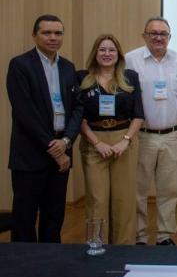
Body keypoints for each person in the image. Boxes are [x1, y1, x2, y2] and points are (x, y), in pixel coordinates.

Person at [6, 14, 83, 242]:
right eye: (46, 33)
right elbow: (24, 112)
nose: (53, 38)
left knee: (54, 216)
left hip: (62, 146)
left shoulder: (68, 67)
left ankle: (51, 266)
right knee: (24, 218)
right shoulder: (20, 65)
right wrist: (55, 148)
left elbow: (77, 108)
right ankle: (24, 270)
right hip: (31, 153)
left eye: (58, 33)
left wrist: (66, 141)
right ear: (34, 35)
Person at [125, 16, 177, 245]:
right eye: (153, 33)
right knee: (138, 190)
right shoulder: (130, 60)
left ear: (169, 37)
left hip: (172, 134)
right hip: (142, 136)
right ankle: (139, 236)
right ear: (144, 35)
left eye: (163, 34)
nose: (158, 37)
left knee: (169, 190)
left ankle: (165, 236)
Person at [78, 34, 144, 244]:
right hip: (93, 141)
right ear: (95, 54)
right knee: (97, 199)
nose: (107, 54)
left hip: (124, 141)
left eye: (111, 50)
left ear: (119, 55)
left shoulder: (130, 77)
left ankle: (124, 248)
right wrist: (97, 143)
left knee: (124, 201)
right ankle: (98, 247)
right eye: (102, 50)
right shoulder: (82, 78)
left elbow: (139, 115)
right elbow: (77, 116)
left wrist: (125, 140)